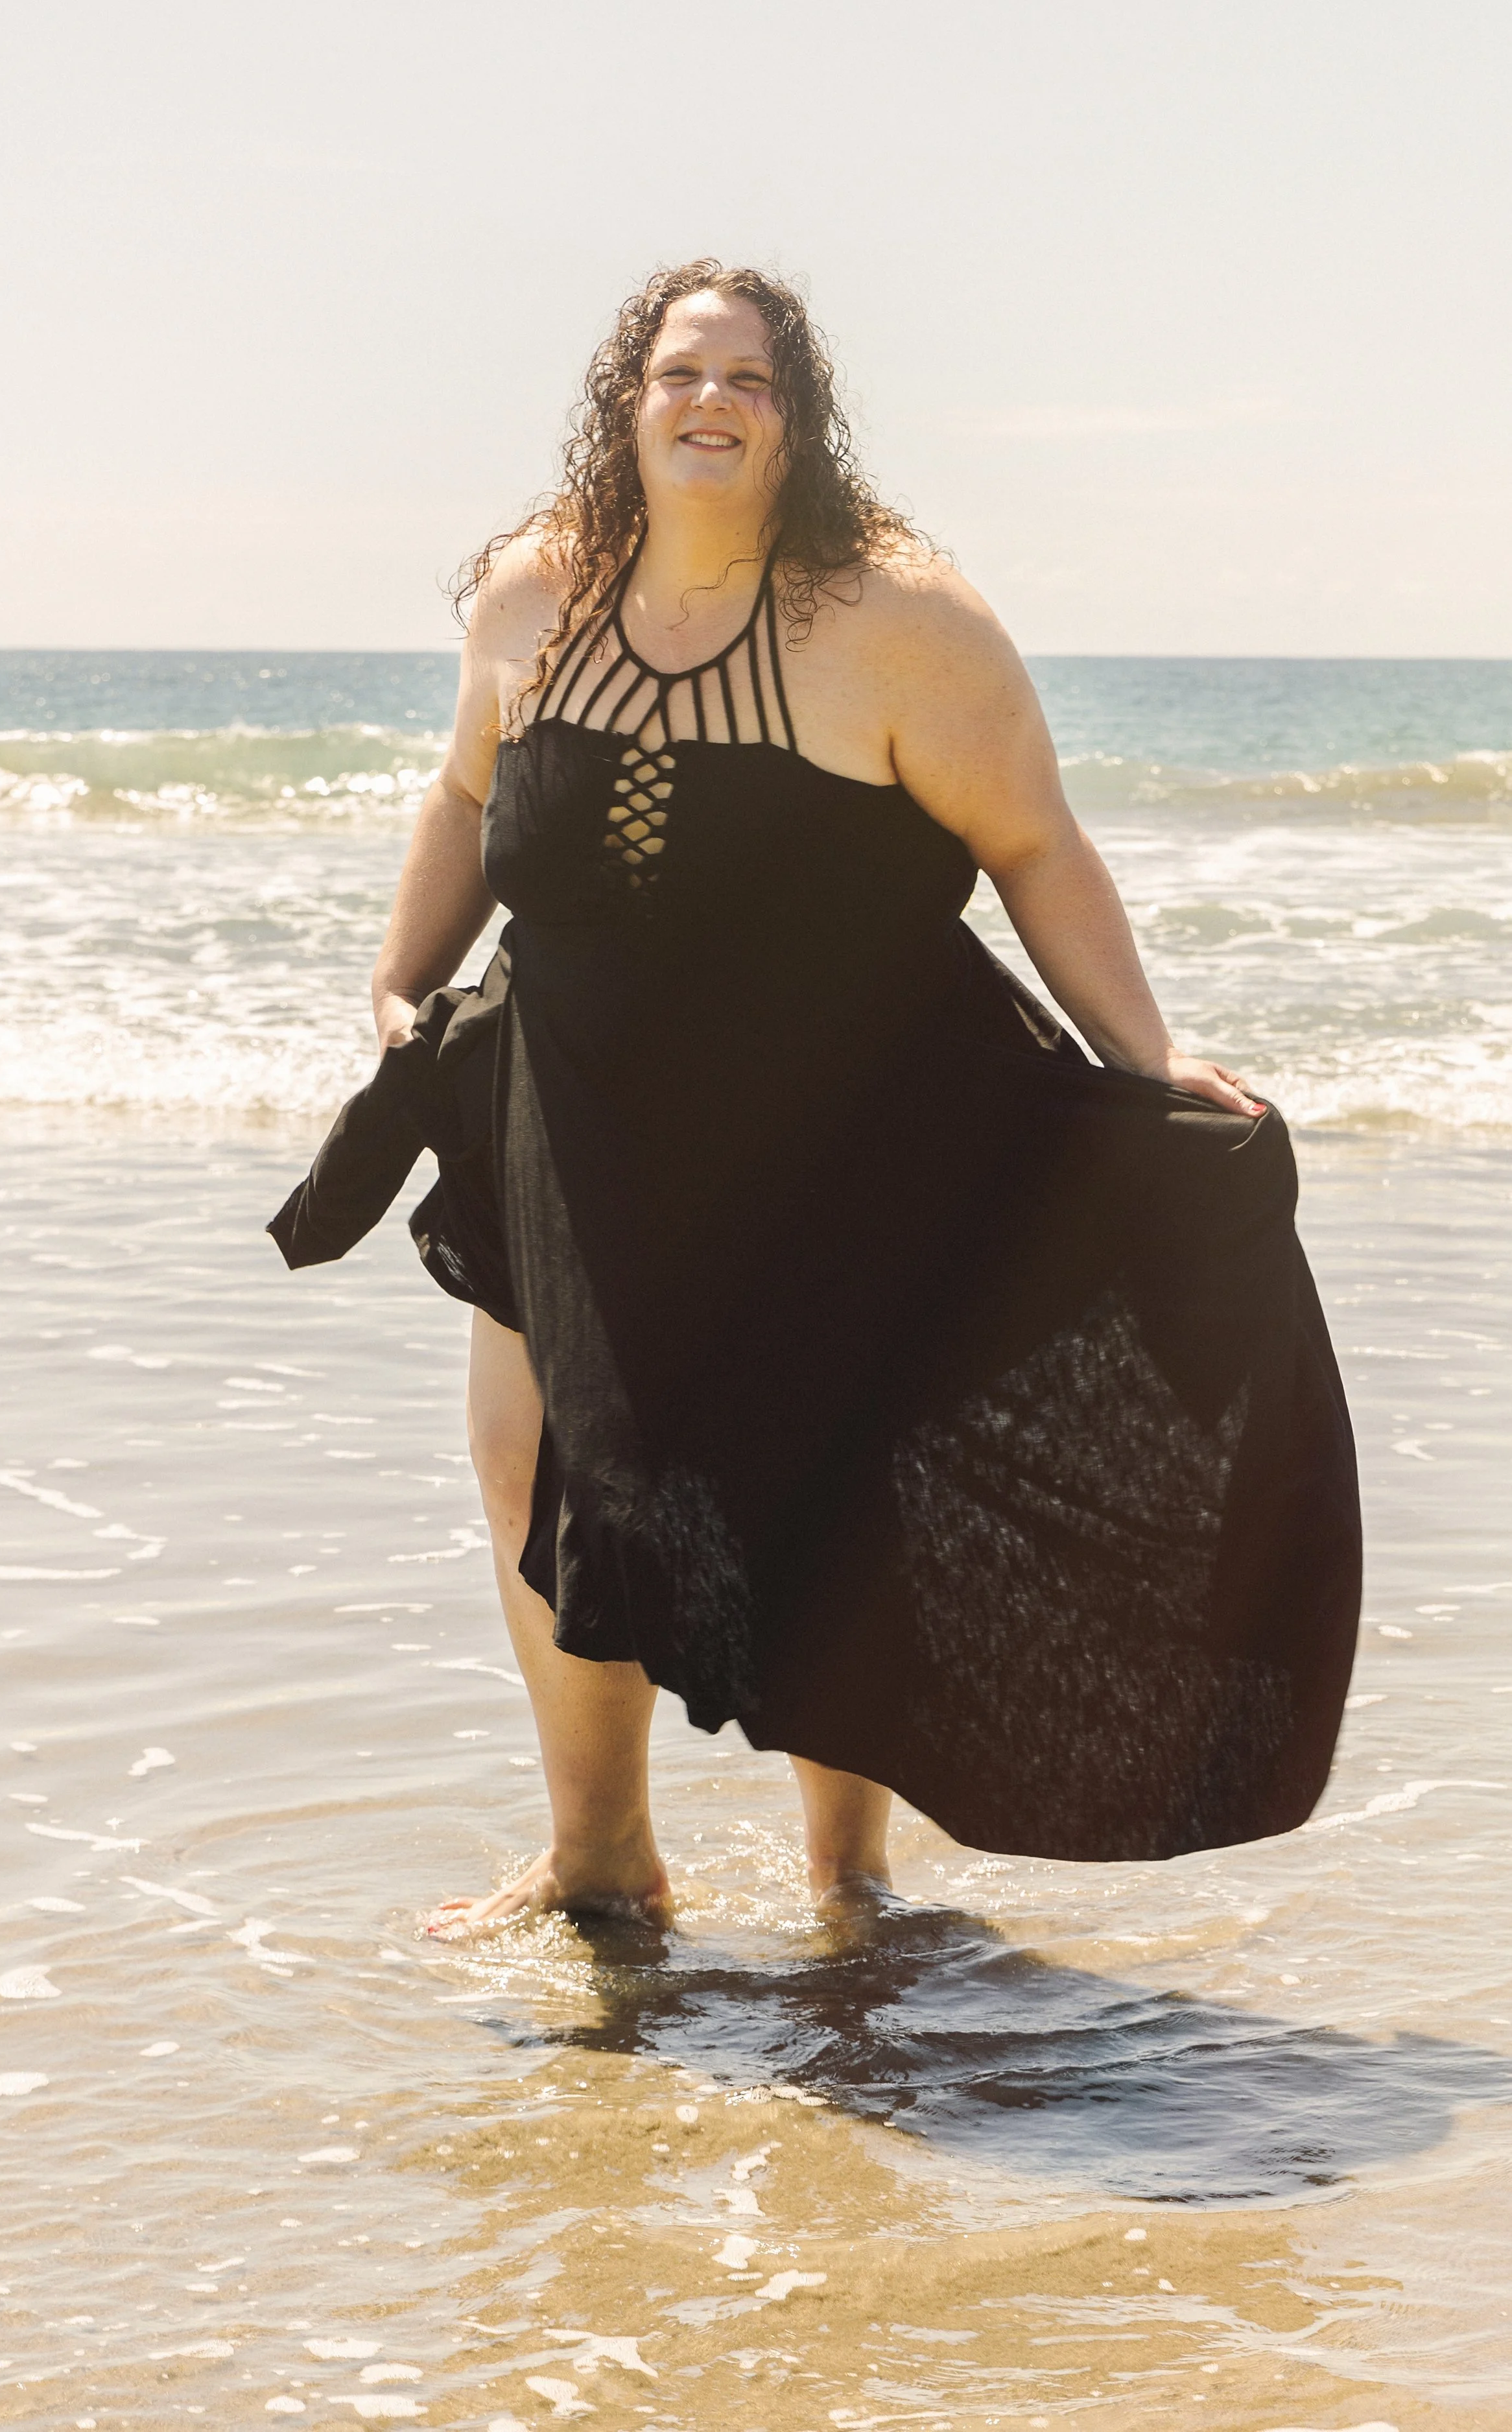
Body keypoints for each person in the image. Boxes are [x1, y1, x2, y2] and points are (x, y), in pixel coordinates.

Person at [346, 261, 1360, 1934]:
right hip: (568, 1112)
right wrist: (399, 980)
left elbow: (1032, 842)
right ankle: (603, 1855)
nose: (712, 400)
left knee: (820, 1488)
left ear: (797, 422)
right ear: (629, 401)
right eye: (682, 371)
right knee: (538, 1473)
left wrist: (1144, 1056)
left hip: (840, 1128)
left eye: (751, 379)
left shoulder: (901, 622)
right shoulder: (532, 599)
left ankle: (848, 1878)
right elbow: (468, 794)